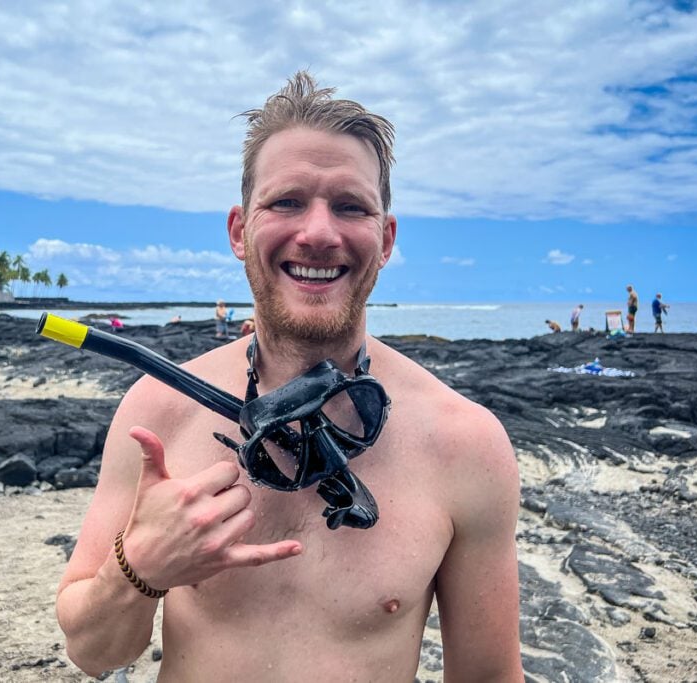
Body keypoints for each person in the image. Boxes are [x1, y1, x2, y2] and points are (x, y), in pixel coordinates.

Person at [56, 71, 522, 682]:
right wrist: (139, 567)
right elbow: (93, 654)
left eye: (350, 206)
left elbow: (488, 677)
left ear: (384, 240)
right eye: (286, 202)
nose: (320, 233)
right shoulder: (159, 412)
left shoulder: (466, 444)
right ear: (239, 232)